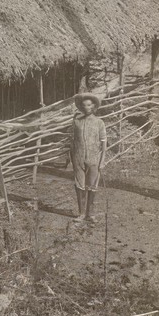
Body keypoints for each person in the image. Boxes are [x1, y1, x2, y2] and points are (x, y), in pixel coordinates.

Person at [70, 93, 107, 223]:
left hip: (94, 160)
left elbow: (103, 143)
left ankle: (90, 214)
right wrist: (73, 159)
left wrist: (102, 161)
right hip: (78, 159)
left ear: (94, 106)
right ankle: (81, 213)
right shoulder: (77, 122)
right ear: (81, 106)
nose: (86, 107)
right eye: (84, 105)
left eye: (89, 105)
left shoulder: (99, 123)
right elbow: (72, 142)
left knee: (92, 186)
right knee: (80, 185)